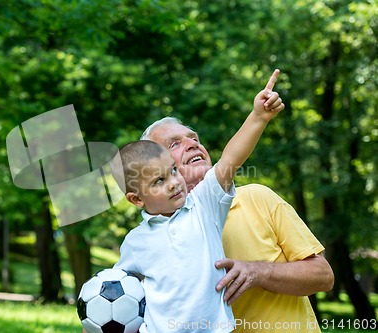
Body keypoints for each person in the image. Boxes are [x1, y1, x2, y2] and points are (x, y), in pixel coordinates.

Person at [140, 84, 334, 331]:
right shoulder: (153, 239)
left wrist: (258, 272)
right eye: (174, 144)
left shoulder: (257, 197)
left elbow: (323, 276)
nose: (192, 144)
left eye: (194, 138)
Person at [110, 70, 284, 333]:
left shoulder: (204, 207)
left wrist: (258, 117)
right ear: (136, 199)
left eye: (172, 171)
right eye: (158, 181)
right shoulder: (135, 242)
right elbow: (114, 293)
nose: (173, 182)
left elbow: (230, 159)